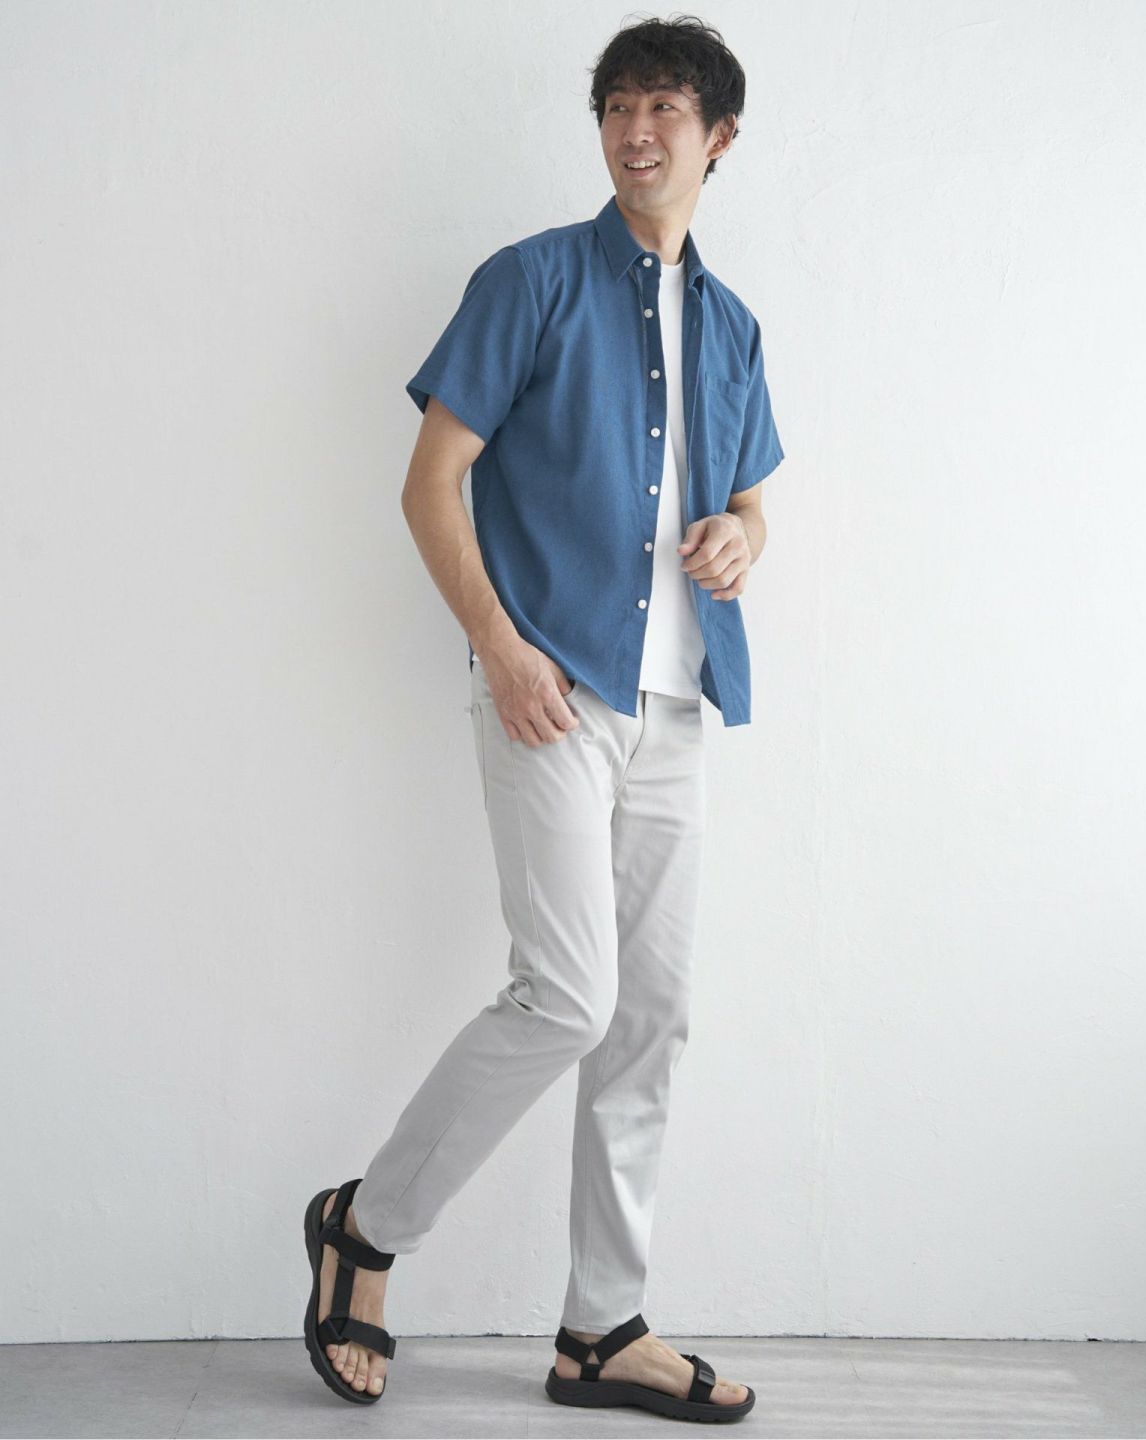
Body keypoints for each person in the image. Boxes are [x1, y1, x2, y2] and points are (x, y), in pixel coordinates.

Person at [302, 14, 784, 1422]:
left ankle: (599, 1328)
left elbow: (750, 504)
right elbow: (429, 481)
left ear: (719, 138)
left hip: (679, 703)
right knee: (569, 996)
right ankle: (365, 1229)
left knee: (652, 1020)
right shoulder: (529, 281)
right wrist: (502, 650)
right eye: (618, 106)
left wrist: (744, 537)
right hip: (551, 693)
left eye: (666, 108)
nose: (637, 131)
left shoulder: (737, 328)